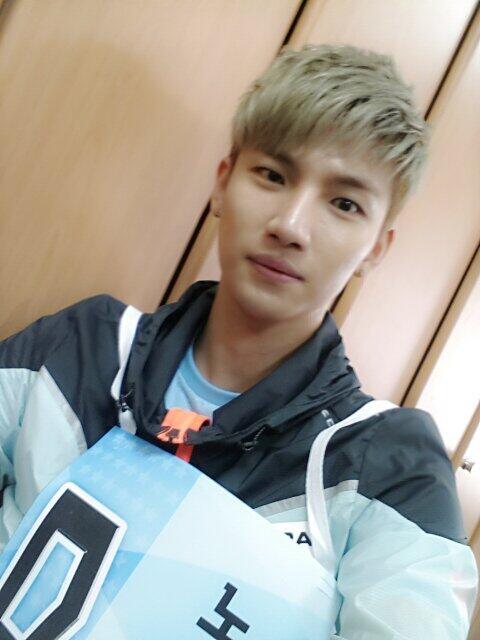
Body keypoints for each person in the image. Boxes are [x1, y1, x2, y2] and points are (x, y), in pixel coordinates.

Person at [0, 43, 478, 638]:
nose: (291, 226)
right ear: (223, 184)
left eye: (344, 203)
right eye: (272, 175)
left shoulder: (387, 462)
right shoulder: (83, 345)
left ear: (375, 249)